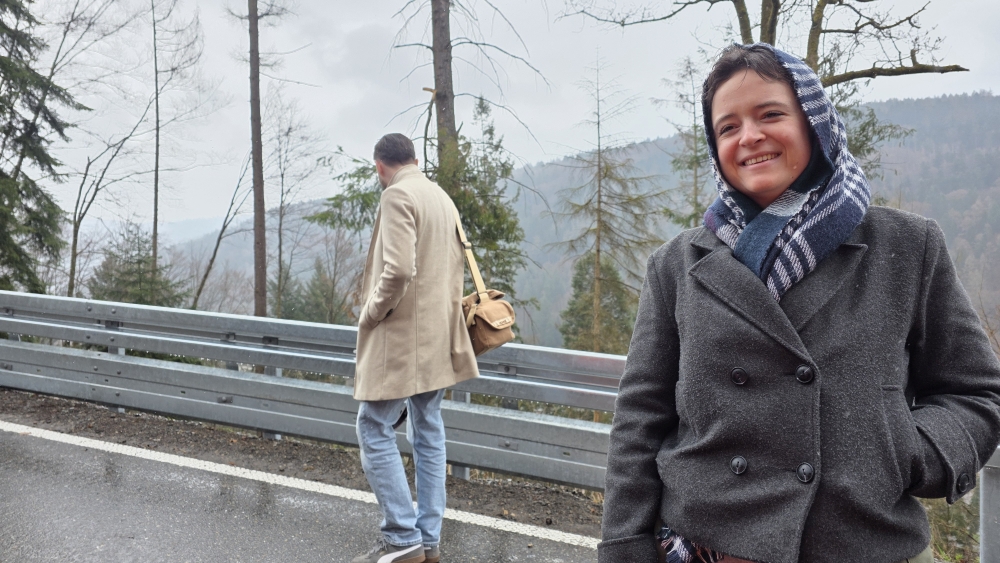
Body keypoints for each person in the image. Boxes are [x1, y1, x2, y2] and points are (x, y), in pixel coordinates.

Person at [598, 43, 1000, 563]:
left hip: (866, 544)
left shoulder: (905, 247)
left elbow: (976, 393)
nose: (749, 136)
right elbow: (640, 418)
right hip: (709, 548)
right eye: (728, 127)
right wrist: (624, 543)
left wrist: (908, 453)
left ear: (814, 124)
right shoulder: (676, 265)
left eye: (770, 114)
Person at [351, 133, 479, 563]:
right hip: (440, 338)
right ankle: (427, 540)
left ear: (379, 166)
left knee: (373, 425)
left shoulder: (397, 195)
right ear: (414, 159)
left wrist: (370, 313)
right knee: (427, 430)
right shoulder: (440, 197)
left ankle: (401, 537)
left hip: (403, 340)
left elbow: (399, 270)